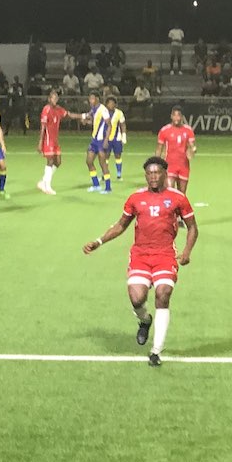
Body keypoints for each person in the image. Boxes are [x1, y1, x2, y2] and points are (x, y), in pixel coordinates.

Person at [82, 157, 198, 367]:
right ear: (146, 175)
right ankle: (145, 320)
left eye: (157, 172)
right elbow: (121, 225)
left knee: (163, 294)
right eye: (149, 173)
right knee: (137, 298)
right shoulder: (136, 198)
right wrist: (99, 241)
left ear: (165, 174)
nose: (153, 176)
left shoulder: (178, 198)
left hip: (165, 255)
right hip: (140, 256)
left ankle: (156, 351)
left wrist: (187, 252)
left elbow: (192, 227)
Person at [70, 92, 113, 193]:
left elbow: (109, 125)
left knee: (103, 164)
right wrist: (86, 122)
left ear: (97, 99)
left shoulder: (103, 110)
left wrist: (106, 140)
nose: (90, 101)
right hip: (94, 140)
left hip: (101, 140)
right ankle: (96, 185)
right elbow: (94, 121)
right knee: (89, 161)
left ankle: (108, 187)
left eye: (92, 99)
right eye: (89, 99)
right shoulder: (93, 109)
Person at [35, 88, 74, 195]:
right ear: (49, 99)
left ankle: (43, 181)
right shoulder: (46, 109)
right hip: (48, 140)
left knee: (58, 162)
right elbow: (43, 127)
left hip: (55, 140)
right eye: (53, 98)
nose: (55, 100)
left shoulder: (58, 109)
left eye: (56, 98)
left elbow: (69, 115)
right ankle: (47, 186)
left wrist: (83, 116)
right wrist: (40, 142)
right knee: (50, 161)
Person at [155, 107, 196, 193]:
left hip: (184, 166)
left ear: (182, 117)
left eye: (178, 115)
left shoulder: (188, 130)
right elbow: (159, 149)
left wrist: (193, 150)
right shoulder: (164, 130)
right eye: (174, 115)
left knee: (182, 194)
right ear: (171, 116)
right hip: (170, 166)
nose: (176, 118)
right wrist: (156, 164)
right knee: (170, 192)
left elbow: (191, 146)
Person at [105, 96, 127, 185]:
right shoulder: (104, 113)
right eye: (109, 103)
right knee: (105, 156)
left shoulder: (119, 113)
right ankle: (104, 173)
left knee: (118, 155)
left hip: (116, 138)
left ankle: (119, 174)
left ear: (115, 104)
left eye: (113, 103)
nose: (111, 105)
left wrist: (124, 135)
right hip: (106, 138)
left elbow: (123, 124)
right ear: (106, 104)